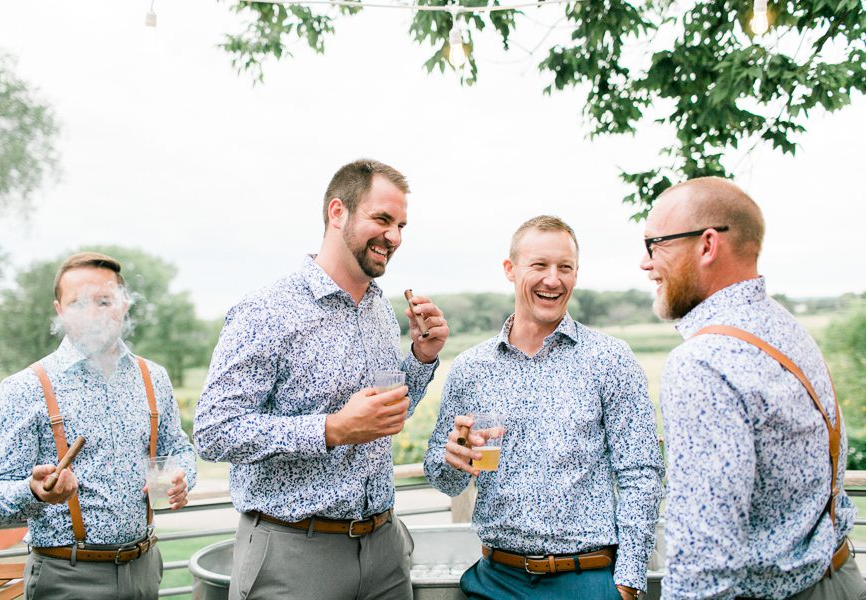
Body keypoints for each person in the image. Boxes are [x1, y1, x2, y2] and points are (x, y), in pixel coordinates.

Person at [194, 158, 449, 600]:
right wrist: (332, 429)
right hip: (293, 555)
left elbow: (383, 414)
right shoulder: (267, 311)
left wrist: (421, 357)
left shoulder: (379, 308)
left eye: (402, 225)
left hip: (384, 551)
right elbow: (214, 432)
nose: (395, 237)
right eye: (383, 219)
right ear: (338, 212)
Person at [641, 176, 865, 600]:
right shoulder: (781, 325)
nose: (646, 263)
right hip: (839, 577)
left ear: (707, 245)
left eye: (656, 244)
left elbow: (705, 557)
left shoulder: (702, 362)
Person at [424, 215, 664, 600]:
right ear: (510, 269)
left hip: (587, 580)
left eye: (564, 268)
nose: (553, 279)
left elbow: (641, 473)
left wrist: (627, 584)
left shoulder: (610, 359)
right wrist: (452, 459)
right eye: (539, 265)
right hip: (496, 581)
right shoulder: (471, 367)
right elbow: (445, 479)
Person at [0, 251, 197, 600]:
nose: (93, 313)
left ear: (124, 305)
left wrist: (180, 475)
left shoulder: (153, 377)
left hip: (144, 571)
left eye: (104, 300)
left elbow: (179, 450)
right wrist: (36, 492)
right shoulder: (25, 387)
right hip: (67, 576)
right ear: (59, 310)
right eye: (78, 303)